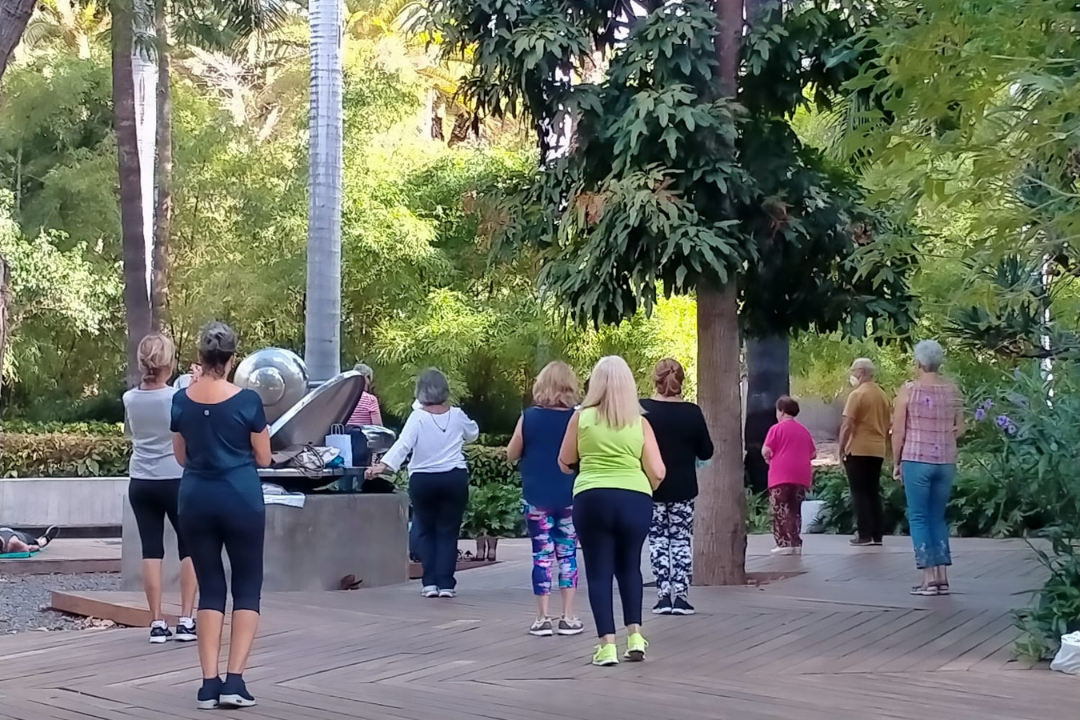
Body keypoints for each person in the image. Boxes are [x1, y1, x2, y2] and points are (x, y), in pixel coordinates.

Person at [173, 322, 272, 710]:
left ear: (201, 358)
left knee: (211, 588)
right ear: (232, 360)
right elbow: (263, 457)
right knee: (247, 586)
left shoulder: (181, 400)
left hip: (195, 498)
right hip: (241, 499)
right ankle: (235, 681)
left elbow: (181, 456)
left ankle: (207, 684)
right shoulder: (248, 402)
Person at [558, 356, 665, 667]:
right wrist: (643, 489)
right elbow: (657, 471)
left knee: (599, 571)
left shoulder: (581, 418)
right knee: (630, 567)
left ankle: (606, 646)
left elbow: (565, 461)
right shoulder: (640, 423)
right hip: (634, 498)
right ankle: (635, 636)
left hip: (592, 498)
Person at [366, 369, 479, 598]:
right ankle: (447, 584)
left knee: (426, 530)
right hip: (454, 478)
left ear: (420, 392)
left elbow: (402, 445)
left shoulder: (417, 417)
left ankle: (429, 584)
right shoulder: (457, 415)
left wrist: (383, 467)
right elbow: (473, 434)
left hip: (423, 479)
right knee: (448, 531)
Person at [124, 333, 198, 645]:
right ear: (169, 363)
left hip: (141, 480)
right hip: (176, 478)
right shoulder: (177, 397)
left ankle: (156, 622)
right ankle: (185, 619)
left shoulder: (130, 398)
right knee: (189, 547)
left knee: (151, 549)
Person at [506, 361, 583, 637]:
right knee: (567, 554)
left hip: (536, 496)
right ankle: (569, 616)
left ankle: (542, 618)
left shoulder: (529, 417)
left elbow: (511, 453)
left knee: (541, 555)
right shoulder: (579, 418)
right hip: (570, 495)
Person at [640, 358, 713, 616]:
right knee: (681, 540)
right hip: (683, 488)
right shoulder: (692, 412)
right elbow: (707, 452)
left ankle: (662, 596)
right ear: (681, 381)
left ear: (655, 380)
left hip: (651, 485)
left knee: (658, 540)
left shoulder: (642, 410)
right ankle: (681, 596)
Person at [892, 339, 963, 596]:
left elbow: (898, 430)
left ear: (919, 362)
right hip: (945, 461)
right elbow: (961, 428)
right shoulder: (953, 391)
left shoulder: (908, 391)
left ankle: (929, 578)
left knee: (919, 517)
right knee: (937, 517)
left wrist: (896, 461)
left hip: (916, 458)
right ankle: (942, 576)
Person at [839, 358, 892, 547]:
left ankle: (864, 534)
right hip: (877, 449)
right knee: (873, 491)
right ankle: (877, 534)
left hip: (858, 448)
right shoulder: (882, 396)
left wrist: (841, 448)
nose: (852, 374)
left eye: (853, 371)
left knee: (859, 492)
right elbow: (888, 424)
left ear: (861, 372)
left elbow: (847, 424)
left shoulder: (857, 395)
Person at [762, 396, 816, 556]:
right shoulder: (804, 430)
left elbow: (766, 450)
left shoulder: (776, 429)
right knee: (795, 509)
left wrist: (768, 458)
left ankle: (784, 543)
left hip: (780, 475)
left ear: (781, 411)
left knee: (780, 509)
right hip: (801, 476)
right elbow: (813, 453)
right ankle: (795, 541)